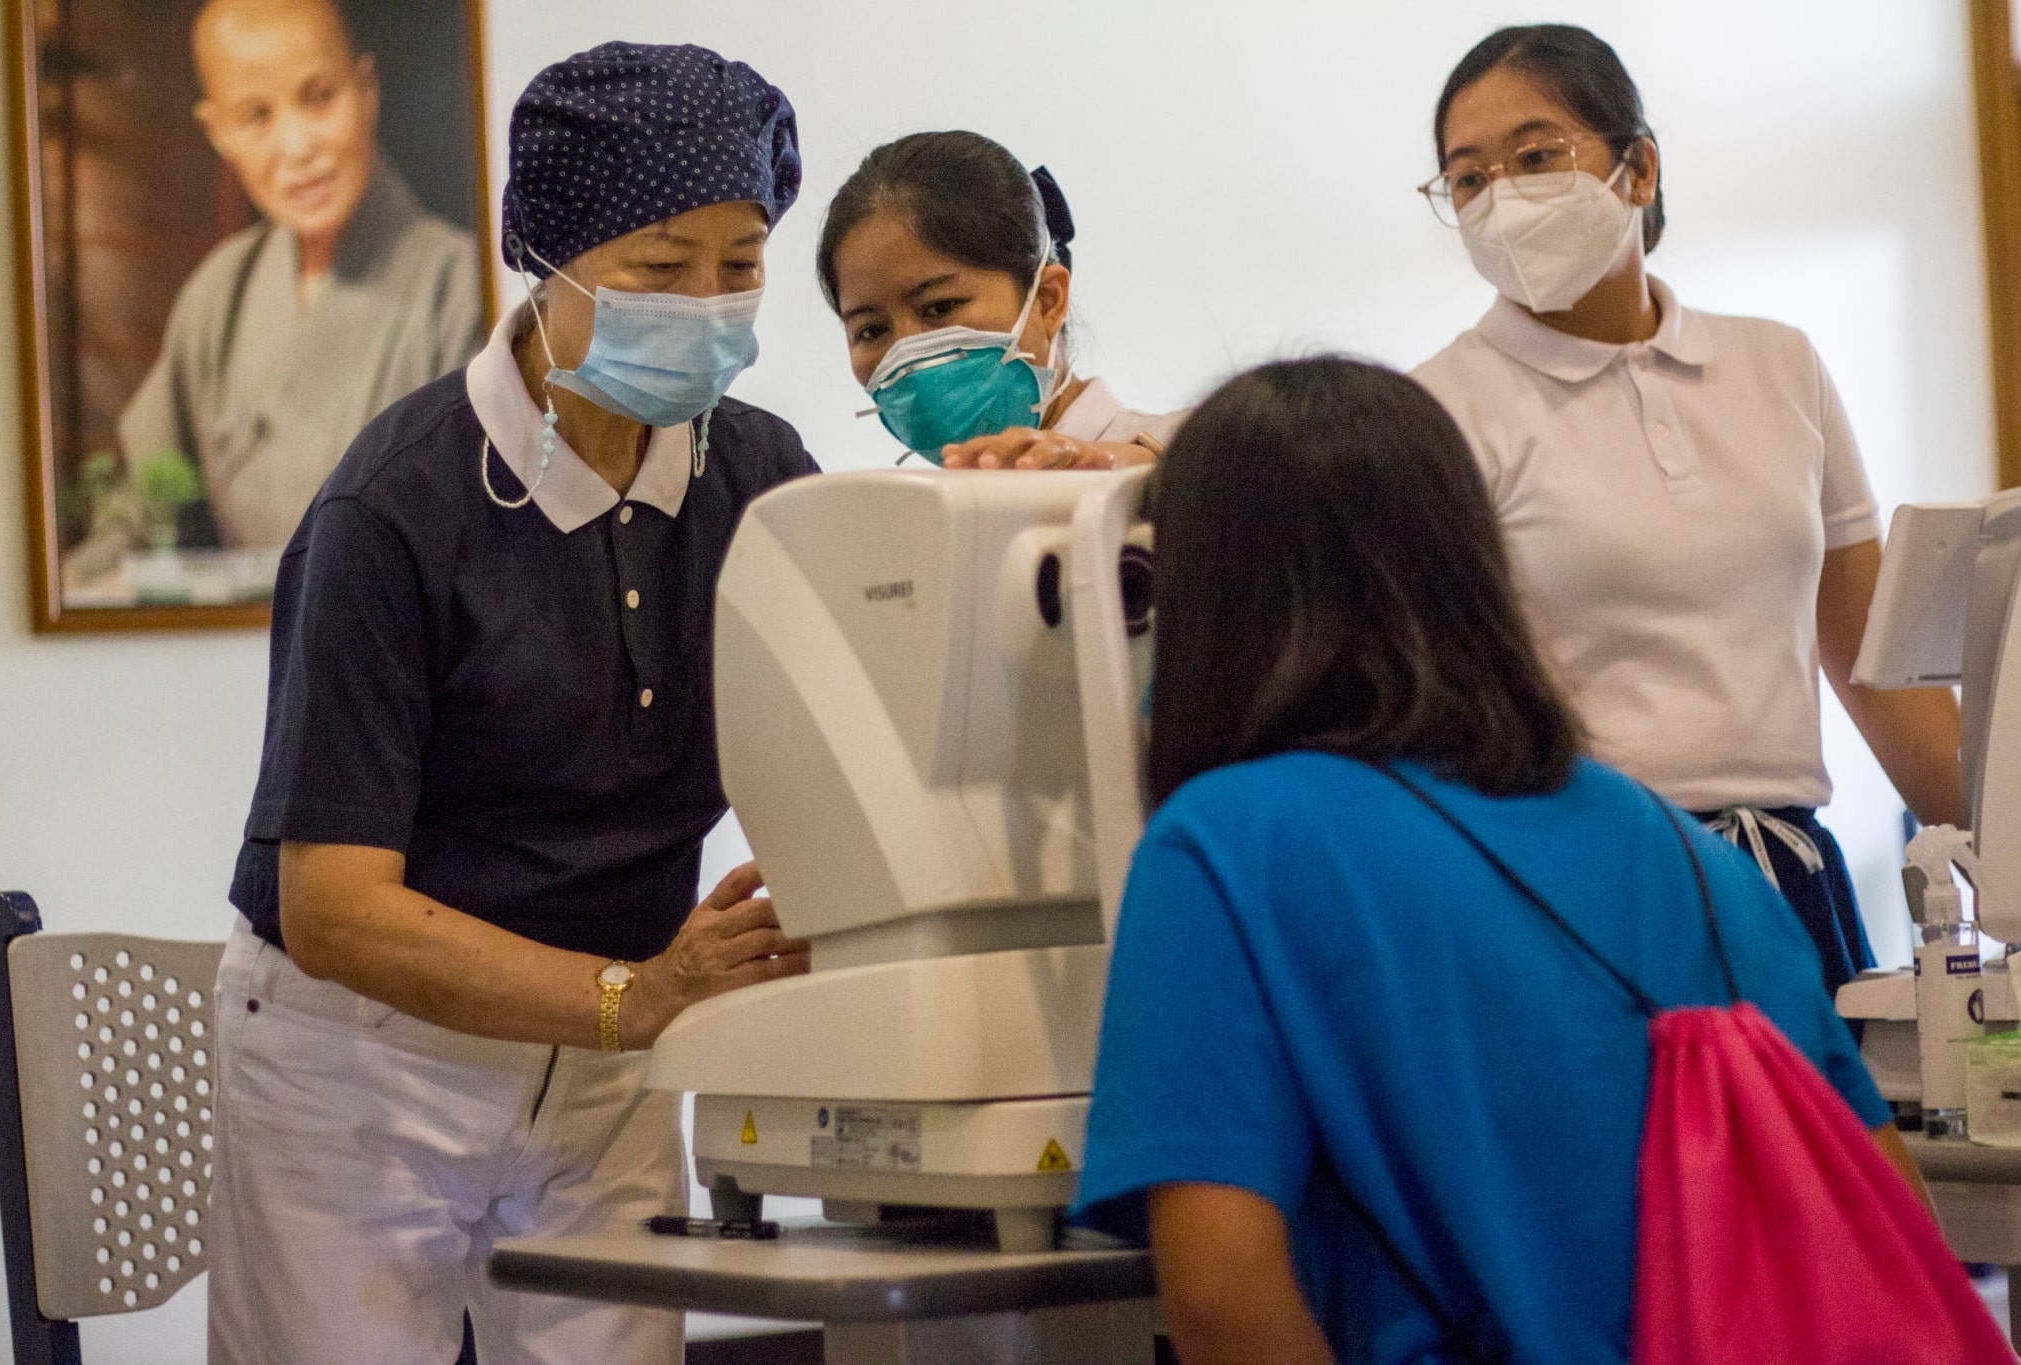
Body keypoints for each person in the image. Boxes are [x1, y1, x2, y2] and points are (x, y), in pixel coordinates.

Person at [1070, 356, 1921, 1364]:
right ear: (1470, 564)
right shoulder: (1674, 846)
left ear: (1203, 594)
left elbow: (1218, 1290)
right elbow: (1883, 1211)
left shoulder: (1220, 849)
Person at [210, 43, 811, 1365]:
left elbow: (854, 730)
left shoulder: (760, 476)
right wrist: (629, 997)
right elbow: (336, 909)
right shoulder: (397, 509)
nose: (710, 306)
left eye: (743, 263)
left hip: (608, 1070)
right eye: (663, 268)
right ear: (552, 252)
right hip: (365, 1067)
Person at [1410, 25, 1962, 999]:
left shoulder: (1776, 364)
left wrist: (1991, 859)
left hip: (1783, 873)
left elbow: (1875, 663)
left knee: (1830, 1148)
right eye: (1466, 180)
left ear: (1637, 166)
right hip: (1576, 890)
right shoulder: (1435, 411)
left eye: (1536, 157)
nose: (1501, 198)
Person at [117, 0, 480, 551]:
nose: (298, 147)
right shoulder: (217, 294)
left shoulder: (460, 285)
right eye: (257, 117)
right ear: (218, 134)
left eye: (320, 98)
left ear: (366, 90)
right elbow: (145, 516)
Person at [817, 130, 1183, 470]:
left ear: (1046, 300)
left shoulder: (1191, 458)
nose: (907, 353)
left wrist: (1139, 474)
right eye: (871, 331)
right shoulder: (908, 523)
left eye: (940, 307)